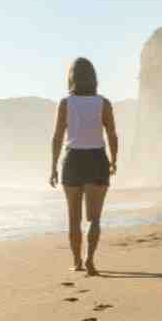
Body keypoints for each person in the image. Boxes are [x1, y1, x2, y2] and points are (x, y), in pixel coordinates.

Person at [49, 57, 118, 276]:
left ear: (71, 78)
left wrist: (52, 166)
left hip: (72, 160)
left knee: (73, 218)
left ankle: (77, 261)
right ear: (93, 78)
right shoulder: (103, 103)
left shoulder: (66, 103)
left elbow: (57, 136)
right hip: (97, 158)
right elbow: (112, 134)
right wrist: (114, 160)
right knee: (94, 218)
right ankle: (90, 259)